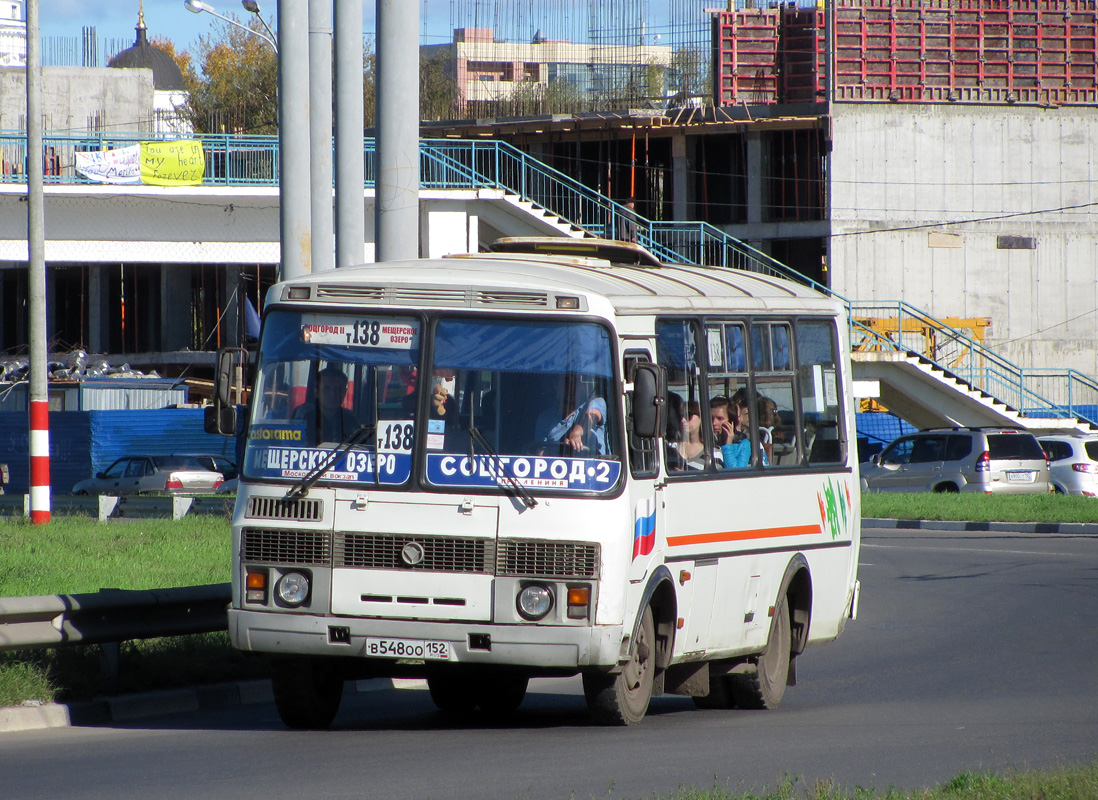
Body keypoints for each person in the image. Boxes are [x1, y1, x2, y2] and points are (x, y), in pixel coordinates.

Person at [293, 366, 360, 443]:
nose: (333, 394)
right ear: (316, 392)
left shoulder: (351, 419)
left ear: (345, 392)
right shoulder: (303, 415)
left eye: (338, 389)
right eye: (327, 388)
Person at [669, 399, 707, 470]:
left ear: (701, 418)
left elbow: (714, 480)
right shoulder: (669, 449)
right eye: (680, 416)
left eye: (688, 415)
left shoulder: (712, 453)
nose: (683, 420)